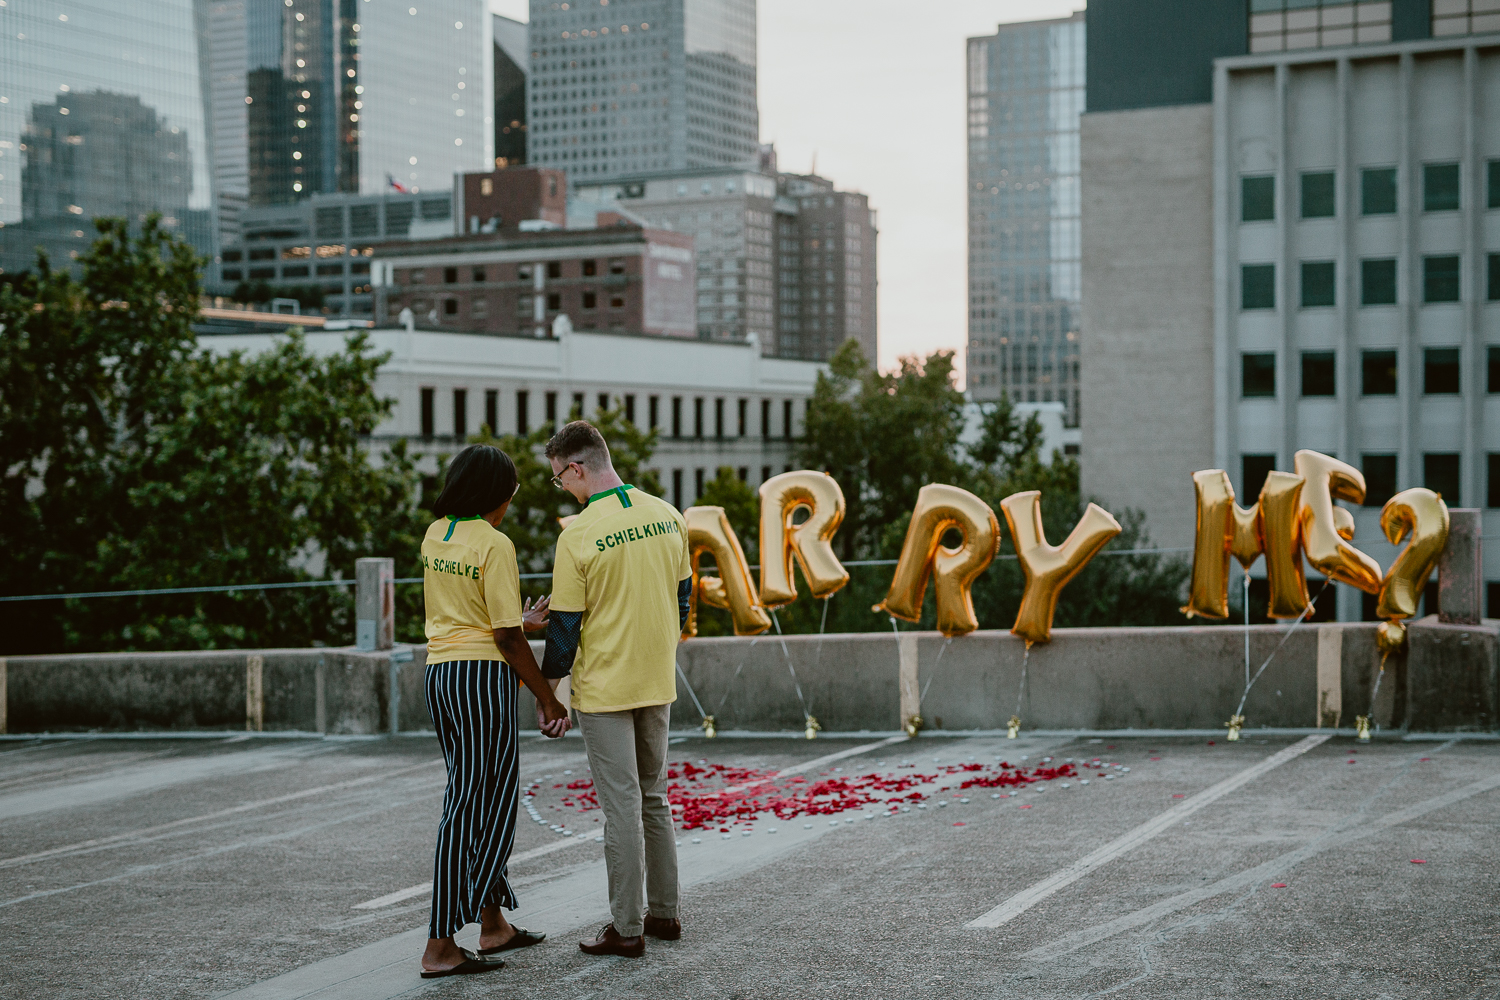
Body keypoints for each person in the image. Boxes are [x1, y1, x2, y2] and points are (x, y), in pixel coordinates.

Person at [419, 444, 572, 979]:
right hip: (481, 679)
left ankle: (492, 923)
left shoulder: (437, 533)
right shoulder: (495, 544)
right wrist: (548, 696)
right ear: (499, 493)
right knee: (480, 801)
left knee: (471, 791)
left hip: (441, 675)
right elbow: (503, 638)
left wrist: (523, 620)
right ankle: (440, 944)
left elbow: (482, 618)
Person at [540, 420, 692, 959]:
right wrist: (656, 652)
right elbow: (683, 602)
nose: (564, 487)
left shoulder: (578, 534)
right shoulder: (668, 515)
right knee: (655, 798)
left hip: (605, 690)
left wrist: (549, 695)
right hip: (657, 681)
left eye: (561, 479)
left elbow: (563, 630)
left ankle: (626, 928)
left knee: (621, 808)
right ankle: (666, 916)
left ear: (576, 468)